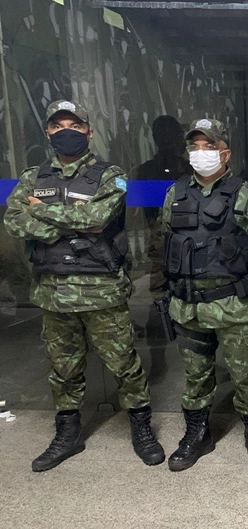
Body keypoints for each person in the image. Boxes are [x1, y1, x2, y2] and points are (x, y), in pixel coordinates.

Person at [3, 99, 164, 471]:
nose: (66, 132)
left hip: (101, 290)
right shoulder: (33, 177)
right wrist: (67, 220)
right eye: (58, 126)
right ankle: (68, 434)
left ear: (89, 131)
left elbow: (96, 219)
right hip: (53, 291)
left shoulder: (111, 175)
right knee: (63, 368)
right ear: (48, 132)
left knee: (124, 364)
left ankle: (141, 428)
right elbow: (15, 223)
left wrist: (39, 210)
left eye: (74, 125)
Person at [160, 118, 248, 473]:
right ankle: (197, 435)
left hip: (235, 307)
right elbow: (164, 240)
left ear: (225, 153)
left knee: (246, 376)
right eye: (195, 147)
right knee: (195, 376)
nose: (201, 153)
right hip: (188, 307)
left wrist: (247, 283)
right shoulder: (175, 193)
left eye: (209, 147)